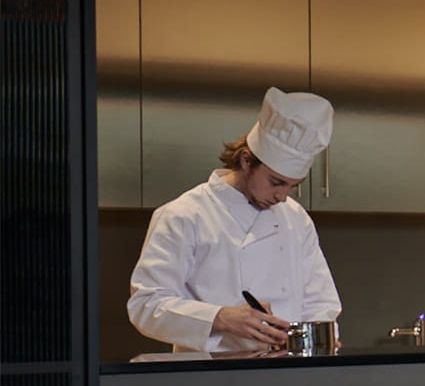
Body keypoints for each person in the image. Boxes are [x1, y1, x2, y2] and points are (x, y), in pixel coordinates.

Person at [128, 87, 342, 353]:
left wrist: (318, 340)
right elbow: (146, 305)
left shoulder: (296, 218)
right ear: (246, 160)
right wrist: (219, 318)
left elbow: (320, 301)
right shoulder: (184, 215)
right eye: (276, 182)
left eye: (293, 186)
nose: (282, 197)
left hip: (288, 369)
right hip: (211, 371)